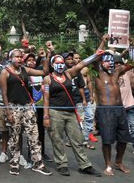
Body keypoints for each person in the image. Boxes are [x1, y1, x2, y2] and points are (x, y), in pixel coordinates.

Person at [42, 54, 101, 177]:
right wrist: (46, 117)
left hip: (71, 112)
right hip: (54, 112)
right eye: (57, 63)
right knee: (57, 140)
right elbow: (46, 99)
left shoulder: (68, 74)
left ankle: (85, 165)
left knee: (77, 139)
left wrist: (96, 55)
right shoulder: (47, 79)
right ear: (52, 65)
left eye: (62, 62)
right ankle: (62, 164)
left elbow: (82, 64)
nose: (60, 65)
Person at [0, 48, 52, 176]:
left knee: (34, 135)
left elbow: (45, 72)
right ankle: (15, 163)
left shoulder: (25, 70)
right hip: (13, 107)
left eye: (20, 57)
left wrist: (44, 57)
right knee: (15, 137)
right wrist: (8, 112)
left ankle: (37, 163)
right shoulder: (5, 72)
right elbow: (4, 94)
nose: (19, 59)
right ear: (11, 58)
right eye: (16, 57)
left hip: (28, 107)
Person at [92, 35, 133, 176]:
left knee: (123, 138)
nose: (109, 63)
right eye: (106, 60)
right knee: (107, 139)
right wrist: (103, 41)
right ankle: (108, 164)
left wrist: (131, 47)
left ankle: (119, 161)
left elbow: (131, 63)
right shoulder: (98, 73)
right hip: (105, 110)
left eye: (111, 61)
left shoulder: (116, 72)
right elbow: (96, 56)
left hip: (120, 109)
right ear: (101, 62)